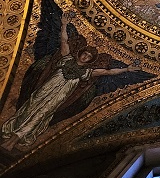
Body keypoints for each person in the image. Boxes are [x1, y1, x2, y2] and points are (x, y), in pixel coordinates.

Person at [2, 13, 138, 149]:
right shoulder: (67, 58)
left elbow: (108, 72)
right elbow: (64, 41)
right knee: (31, 105)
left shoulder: (87, 72)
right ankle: (12, 130)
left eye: (89, 57)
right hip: (47, 87)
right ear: (80, 53)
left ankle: (15, 139)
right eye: (85, 54)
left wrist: (126, 69)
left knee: (42, 113)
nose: (85, 57)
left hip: (60, 95)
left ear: (90, 60)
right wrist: (64, 25)